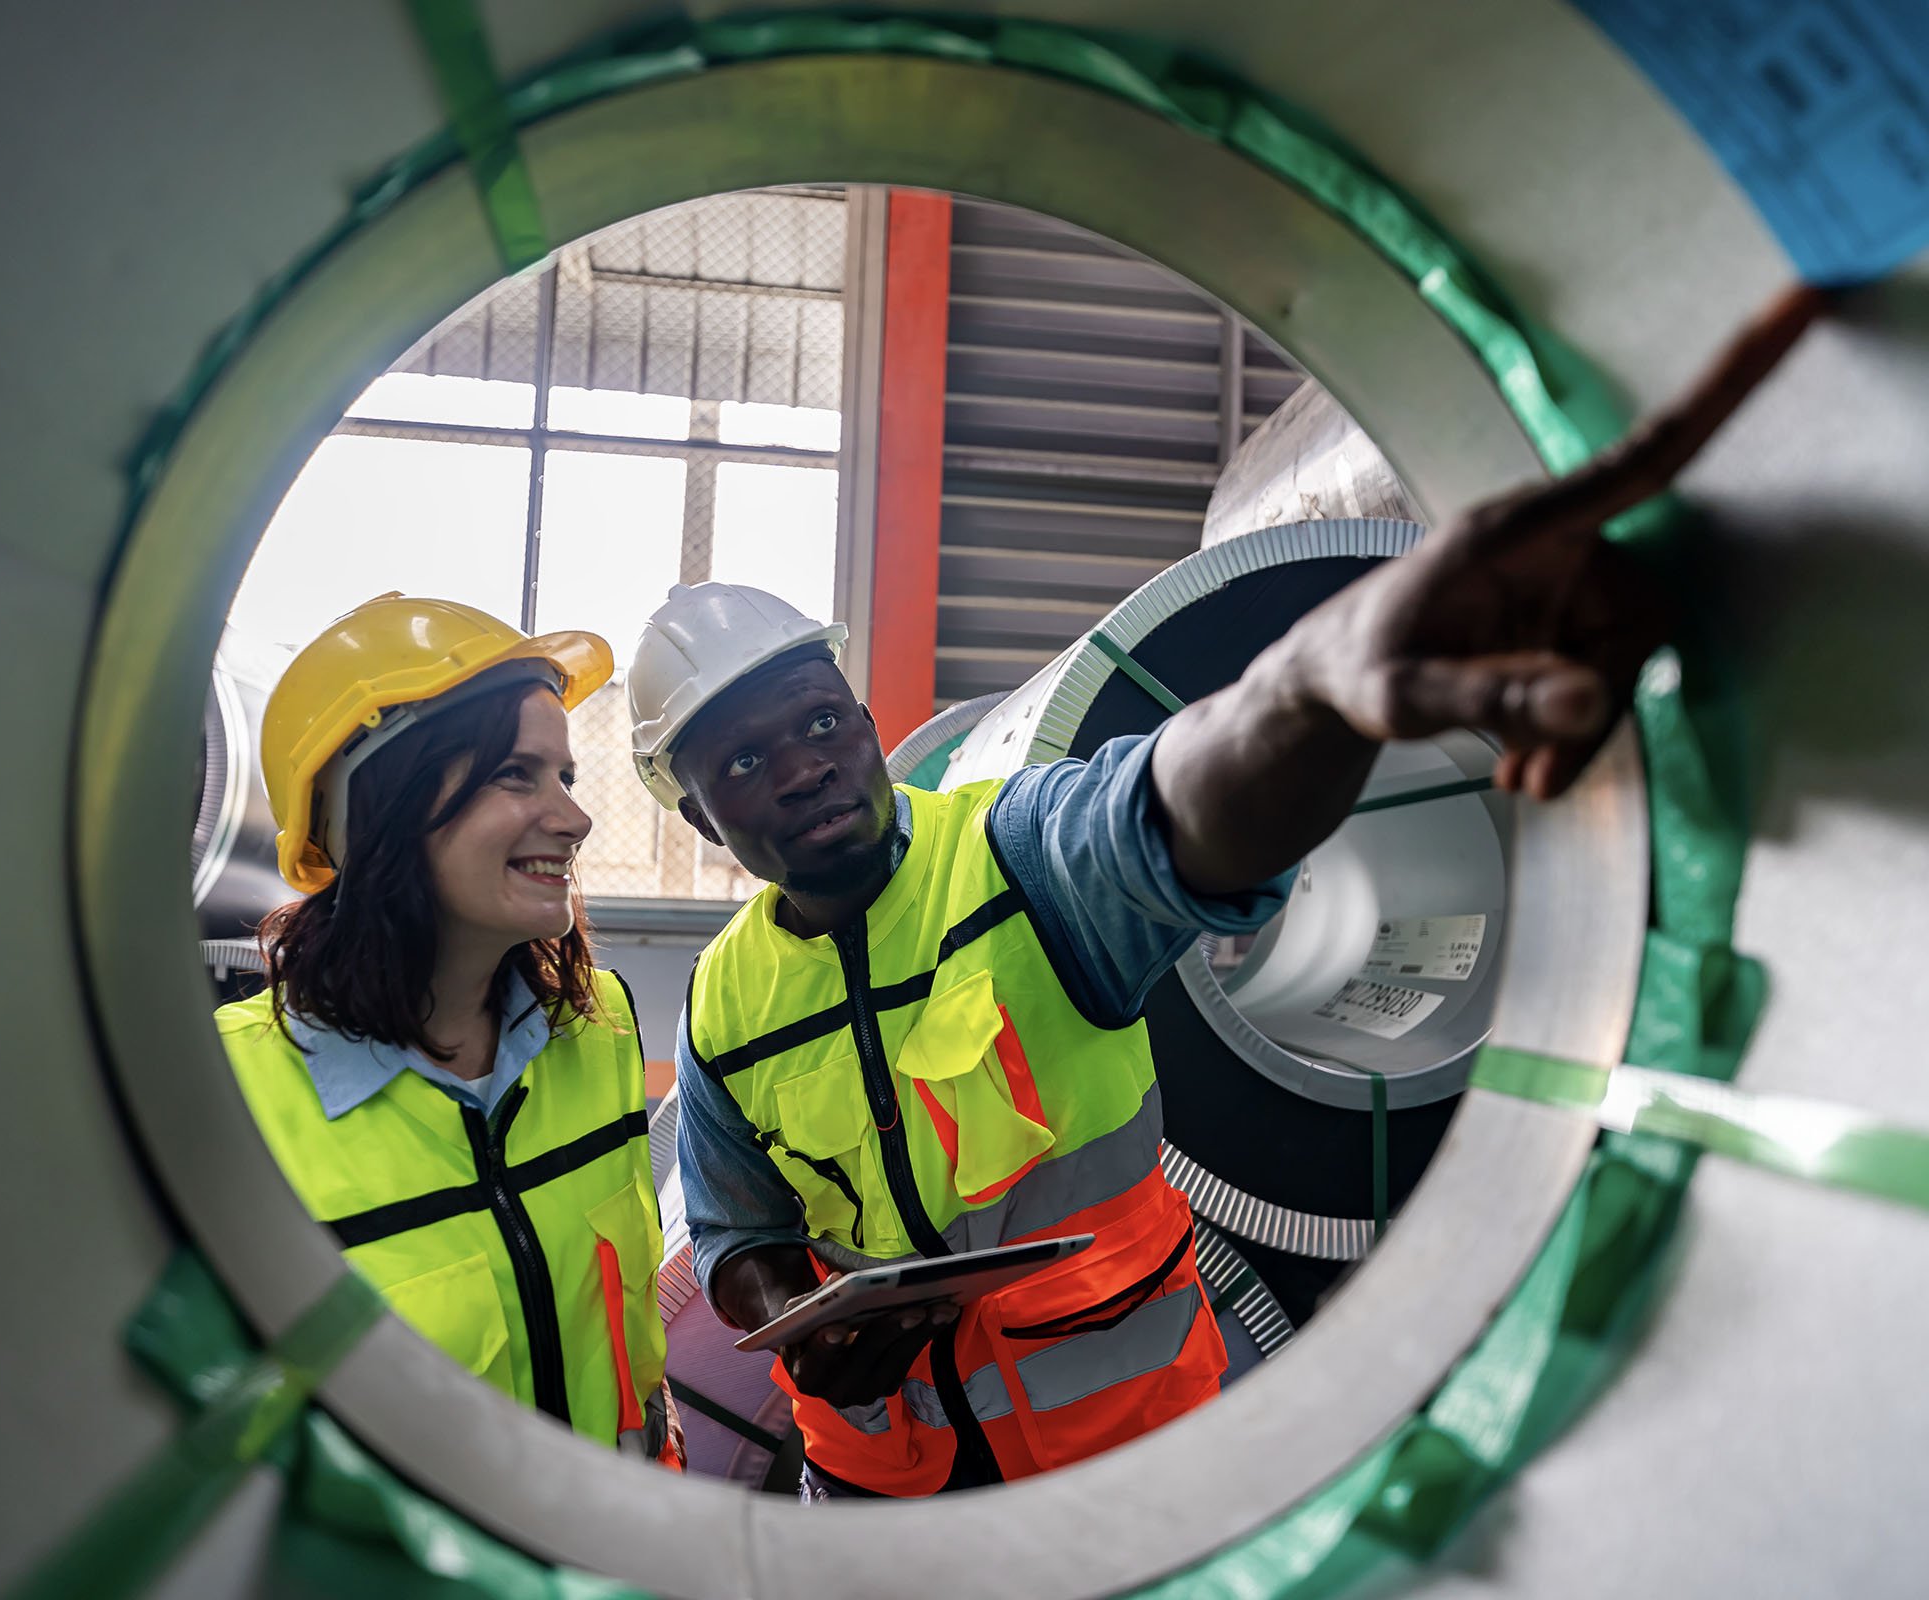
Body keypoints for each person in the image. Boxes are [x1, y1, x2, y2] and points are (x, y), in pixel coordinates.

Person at [627, 285, 1825, 1499]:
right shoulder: (726, 1001)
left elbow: (1167, 813)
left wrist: (1306, 693)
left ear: (865, 716)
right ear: (694, 813)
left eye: (822, 720)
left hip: (1129, 1457)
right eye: (743, 762)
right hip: (884, 1494)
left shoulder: (1011, 858)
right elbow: (735, 1234)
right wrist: (803, 1321)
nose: (804, 766)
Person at [217, 593, 681, 1465]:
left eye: (565, 778)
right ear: (377, 814)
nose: (574, 819)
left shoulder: (601, 1025)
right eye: (516, 775)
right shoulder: (230, 1098)